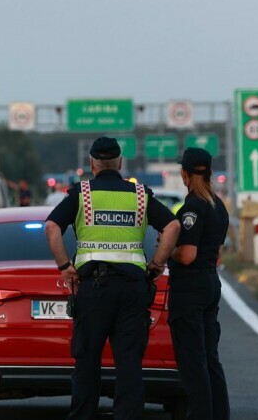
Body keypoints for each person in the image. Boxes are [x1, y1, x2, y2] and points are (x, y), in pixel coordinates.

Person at [45, 137, 181, 420]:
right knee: (129, 364)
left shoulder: (81, 194)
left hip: (93, 289)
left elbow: (51, 226)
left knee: (87, 362)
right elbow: (172, 225)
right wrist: (157, 263)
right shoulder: (140, 195)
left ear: (92, 163)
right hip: (133, 290)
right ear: (120, 163)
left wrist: (64, 266)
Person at [158, 147, 230, 420]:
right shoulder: (218, 206)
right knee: (210, 359)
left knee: (192, 362)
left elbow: (187, 255)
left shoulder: (192, 207)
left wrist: (167, 251)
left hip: (190, 288)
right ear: (210, 173)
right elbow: (217, 251)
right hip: (211, 282)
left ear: (185, 175)